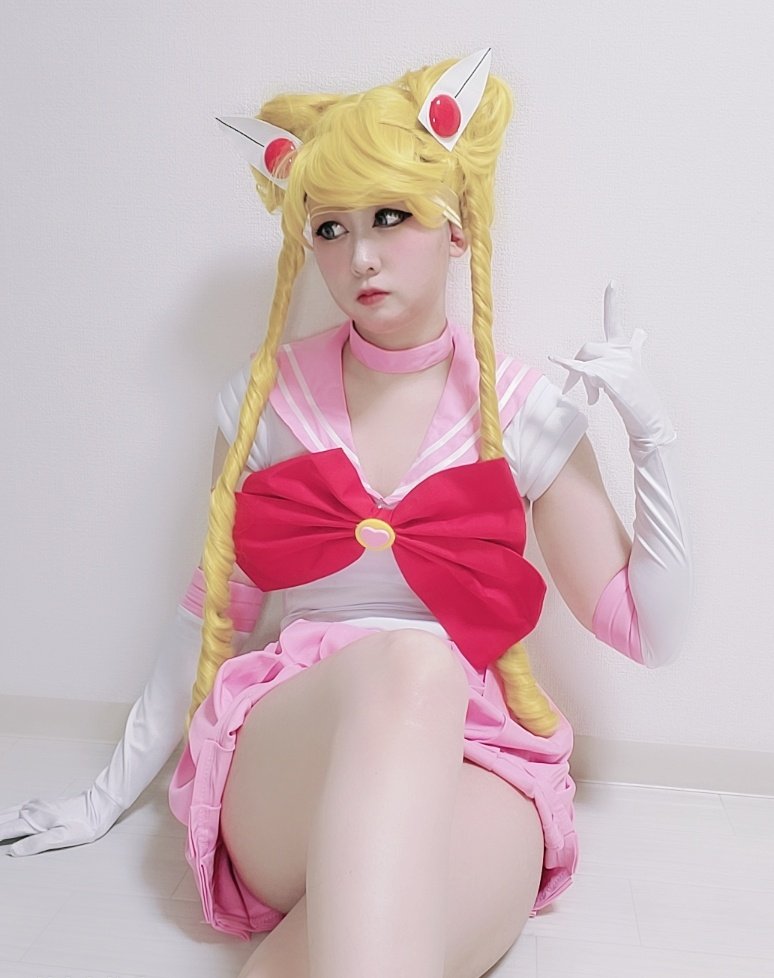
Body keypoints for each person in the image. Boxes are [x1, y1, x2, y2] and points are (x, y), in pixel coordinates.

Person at [0, 49, 691, 978]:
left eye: (389, 216)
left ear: (457, 226)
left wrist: (653, 438)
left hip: (476, 759)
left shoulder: (526, 411)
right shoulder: (267, 401)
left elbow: (647, 631)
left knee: (368, 952)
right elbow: (208, 619)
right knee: (414, 663)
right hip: (297, 749)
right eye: (329, 228)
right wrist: (101, 798)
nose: (359, 256)